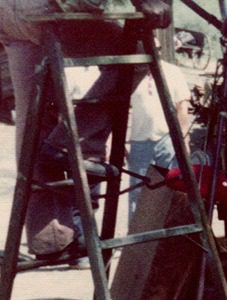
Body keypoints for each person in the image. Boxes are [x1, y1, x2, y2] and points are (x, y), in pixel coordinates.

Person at [0, 0, 170, 258]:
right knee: (135, 53)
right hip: (41, 9)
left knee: (33, 116)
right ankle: (75, 141)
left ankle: (49, 238)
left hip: (8, 16)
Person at [128, 46, 191, 222]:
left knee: (173, 190)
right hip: (139, 142)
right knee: (137, 193)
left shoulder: (173, 72)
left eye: (157, 49)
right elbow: (121, 110)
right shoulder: (131, 73)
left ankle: (169, 240)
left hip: (168, 141)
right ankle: (136, 242)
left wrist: (183, 139)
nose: (153, 52)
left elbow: (182, 108)